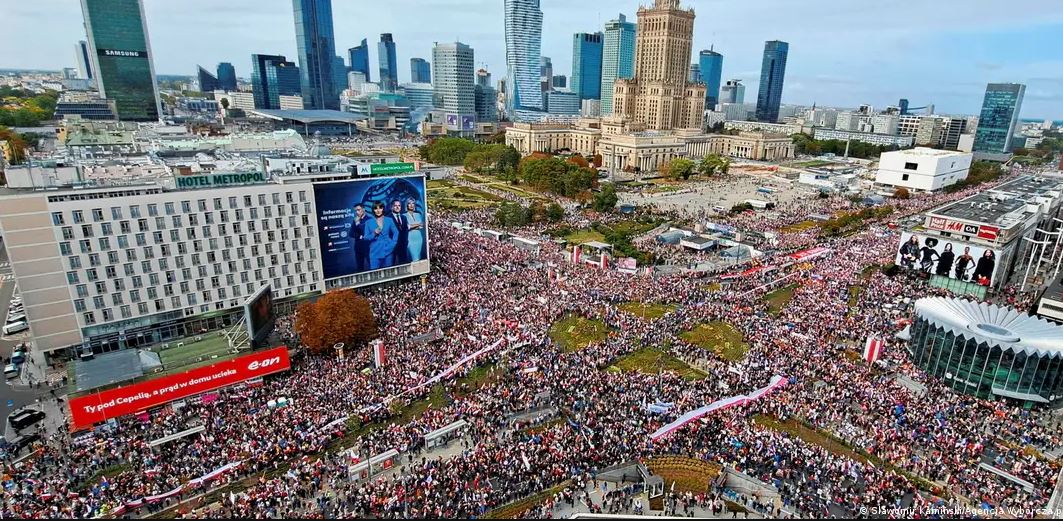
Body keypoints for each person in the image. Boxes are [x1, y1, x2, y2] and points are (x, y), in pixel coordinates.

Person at [362, 201, 398, 270]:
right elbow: (366, 237)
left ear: (383, 209)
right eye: (376, 208)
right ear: (373, 210)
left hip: (388, 249)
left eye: (380, 208)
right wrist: (374, 233)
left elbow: (396, 232)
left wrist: (393, 244)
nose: (378, 210)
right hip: (374, 251)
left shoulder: (389, 220)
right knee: (374, 274)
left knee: (389, 273)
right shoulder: (368, 222)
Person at [404, 198, 426, 262]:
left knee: (418, 257)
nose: (411, 205)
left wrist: (412, 226)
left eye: (413, 203)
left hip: (419, 238)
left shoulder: (418, 214)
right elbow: (407, 227)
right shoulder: (404, 216)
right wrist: (417, 225)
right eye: (409, 203)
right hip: (410, 239)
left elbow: (421, 226)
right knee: (414, 258)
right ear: (406, 205)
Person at [390, 199, 409, 266]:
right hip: (392, 247)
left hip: (403, 246)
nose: (397, 207)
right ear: (391, 207)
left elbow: (406, 230)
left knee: (404, 264)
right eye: (395, 206)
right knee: (391, 265)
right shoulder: (388, 218)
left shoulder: (404, 217)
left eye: (399, 205)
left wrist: (406, 241)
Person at [351, 203, 369, 272]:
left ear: (363, 209)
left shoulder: (369, 219)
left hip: (368, 247)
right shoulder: (355, 220)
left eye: (358, 210)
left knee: (373, 266)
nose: (357, 212)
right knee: (360, 268)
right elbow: (351, 233)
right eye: (355, 211)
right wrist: (360, 236)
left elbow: (365, 231)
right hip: (358, 248)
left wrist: (358, 223)